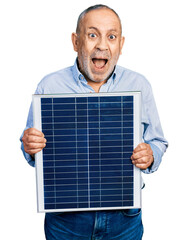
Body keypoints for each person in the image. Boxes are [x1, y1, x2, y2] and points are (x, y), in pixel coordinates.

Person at [20, 4, 168, 240]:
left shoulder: (139, 85)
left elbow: (158, 141)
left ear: (121, 44)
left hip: (124, 218)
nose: (101, 45)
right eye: (92, 35)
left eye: (111, 36)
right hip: (66, 219)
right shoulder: (49, 87)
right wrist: (29, 146)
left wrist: (151, 154)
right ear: (76, 41)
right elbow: (32, 149)